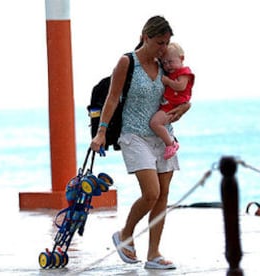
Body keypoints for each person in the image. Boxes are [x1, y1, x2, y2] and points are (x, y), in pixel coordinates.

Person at [90, 16, 190, 270]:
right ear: (146, 37)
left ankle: (154, 253)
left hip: (163, 136)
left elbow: (180, 91)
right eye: (159, 42)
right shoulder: (127, 62)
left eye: (166, 43)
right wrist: (101, 132)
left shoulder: (163, 62)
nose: (163, 48)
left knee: (163, 196)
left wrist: (186, 106)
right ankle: (125, 234)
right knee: (151, 193)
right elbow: (112, 99)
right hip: (134, 136)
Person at [149, 42, 194, 160]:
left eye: (170, 62)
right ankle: (169, 142)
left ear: (181, 58)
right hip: (169, 103)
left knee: (155, 123)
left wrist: (168, 82)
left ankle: (170, 144)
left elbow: (181, 86)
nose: (167, 65)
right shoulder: (171, 72)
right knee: (157, 123)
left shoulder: (184, 72)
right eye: (164, 63)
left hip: (173, 104)